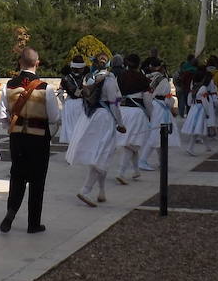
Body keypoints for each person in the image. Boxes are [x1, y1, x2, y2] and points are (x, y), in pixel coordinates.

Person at [0, 47, 61, 234]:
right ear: (37, 63)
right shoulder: (46, 88)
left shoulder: (8, 86)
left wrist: (11, 129)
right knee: (37, 180)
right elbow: (54, 117)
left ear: (20, 62)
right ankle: (33, 223)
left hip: (17, 137)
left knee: (17, 176)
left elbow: (1, 115)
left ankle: (11, 211)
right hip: (38, 138)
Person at [65, 54, 127, 206]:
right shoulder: (110, 80)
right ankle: (86, 190)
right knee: (102, 155)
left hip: (90, 117)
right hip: (104, 118)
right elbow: (113, 104)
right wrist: (120, 123)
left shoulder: (90, 77)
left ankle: (101, 191)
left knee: (99, 154)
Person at [114, 53, 152, 184]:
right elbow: (147, 100)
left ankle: (136, 171)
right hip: (137, 113)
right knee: (132, 144)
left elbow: (115, 95)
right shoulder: (142, 78)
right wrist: (150, 114)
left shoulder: (119, 77)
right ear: (139, 64)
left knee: (132, 143)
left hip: (122, 111)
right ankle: (121, 172)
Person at [137, 57, 179, 171]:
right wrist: (172, 107)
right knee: (157, 134)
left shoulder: (148, 77)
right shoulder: (163, 80)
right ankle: (143, 160)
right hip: (161, 108)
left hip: (152, 105)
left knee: (158, 134)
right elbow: (167, 98)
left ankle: (162, 161)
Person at [181, 67, 218, 155]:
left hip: (194, 108)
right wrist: (207, 113)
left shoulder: (194, 87)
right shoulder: (203, 88)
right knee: (198, 128)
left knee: (201, 127)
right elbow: (205, 102)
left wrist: (193, 105)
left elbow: (189, 101)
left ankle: (207, 147)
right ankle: (190, 148)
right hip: (201, 109)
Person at [58, 56, 91, 149]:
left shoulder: (66, 77)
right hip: (82, 104)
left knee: (70, 127)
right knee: (80, 127)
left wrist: (63, 102)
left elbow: (60, 92)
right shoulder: (86, 77)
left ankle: (71, 150)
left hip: (69, 104)